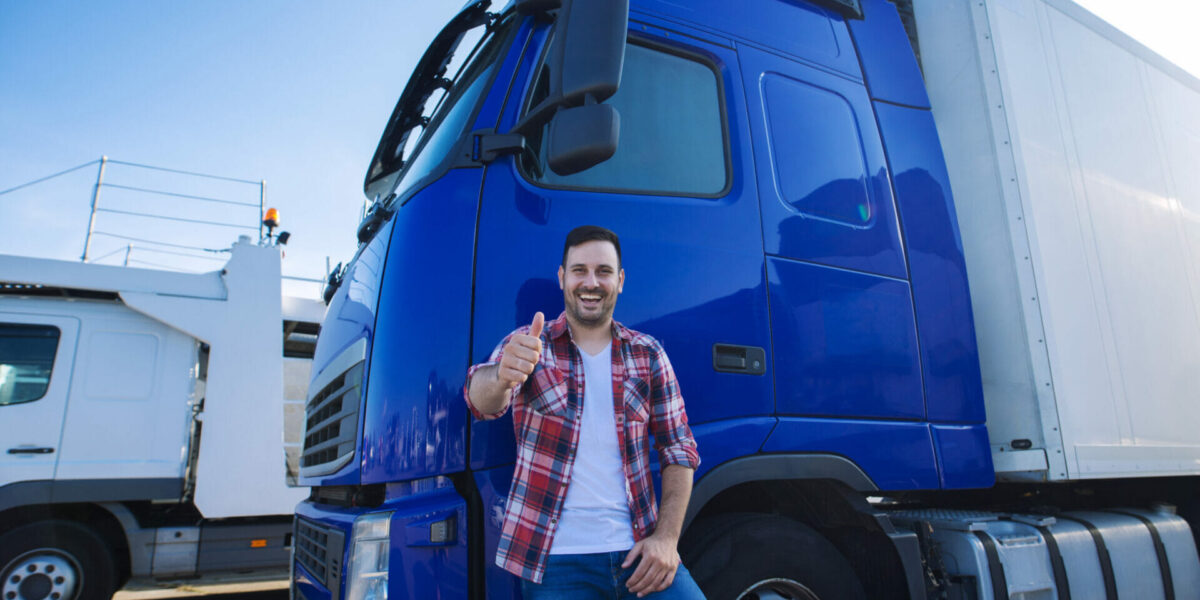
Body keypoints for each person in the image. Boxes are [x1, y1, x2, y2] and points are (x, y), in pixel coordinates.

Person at [464, 225, 704, 599]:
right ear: (562, 278)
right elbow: (480, 402)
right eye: (579, 270)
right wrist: (500, 376)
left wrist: (667, 540)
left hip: (639, 554)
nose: (591, 282)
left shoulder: (649, 354)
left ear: (620, 280)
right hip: (554, 561)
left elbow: (679, 449)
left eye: (603, 271)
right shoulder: (529, 343)